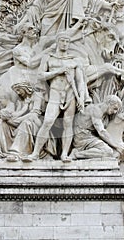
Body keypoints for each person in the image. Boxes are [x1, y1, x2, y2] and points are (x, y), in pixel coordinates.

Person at [25, 32, 87, 162]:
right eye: (63, 41)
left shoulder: (74, 60)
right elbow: (40, 75)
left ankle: (64, 154)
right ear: (57, 42)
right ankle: (35, 153)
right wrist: (58, 72)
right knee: (47, 121)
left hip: (70, 94)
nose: (65, 44)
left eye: (67, 41)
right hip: (55, 92)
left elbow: (80, 81)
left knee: (68, 124)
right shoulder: (49, 58)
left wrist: (81, 98)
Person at [70, 95, 124, 160]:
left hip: (88, 137)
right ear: (109, 103)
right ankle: (77, 154)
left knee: (108, 150)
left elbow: (105, 131)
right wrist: (117, 146)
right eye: (115, 108)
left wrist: (119, 117)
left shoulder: (104, 115)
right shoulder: (95, 109)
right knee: (108, 151)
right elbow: (102, 132)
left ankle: (78, 152)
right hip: (82, 138)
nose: (115, 112)